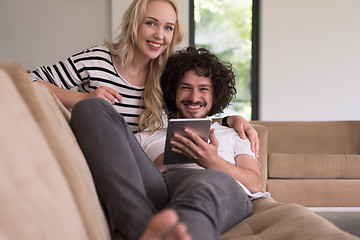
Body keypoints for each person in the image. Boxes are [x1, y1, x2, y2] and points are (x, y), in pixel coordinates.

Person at [69, 47, 267, 240]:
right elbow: (129, 178)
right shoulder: (146, 137)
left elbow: (255, 184)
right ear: (173, 92)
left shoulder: (233, 132)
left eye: (203, 89)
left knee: (208, 182)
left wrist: (213, 162)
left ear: (215, 95)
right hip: (160, 188)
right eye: (185, 88)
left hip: (218, 189)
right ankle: (142, 231)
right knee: (91, 107)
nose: (194, 97)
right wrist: (162, 162)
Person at [28, 0, 259, 156]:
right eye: (151, 23)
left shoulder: (164, 76)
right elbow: (28, 81)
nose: (160, 35)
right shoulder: (98, 60)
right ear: (133, 24)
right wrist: (83, 99)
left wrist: (230, 121)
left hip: (140, 167)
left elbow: (187, 118)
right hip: (100, 160)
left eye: (168, 28)